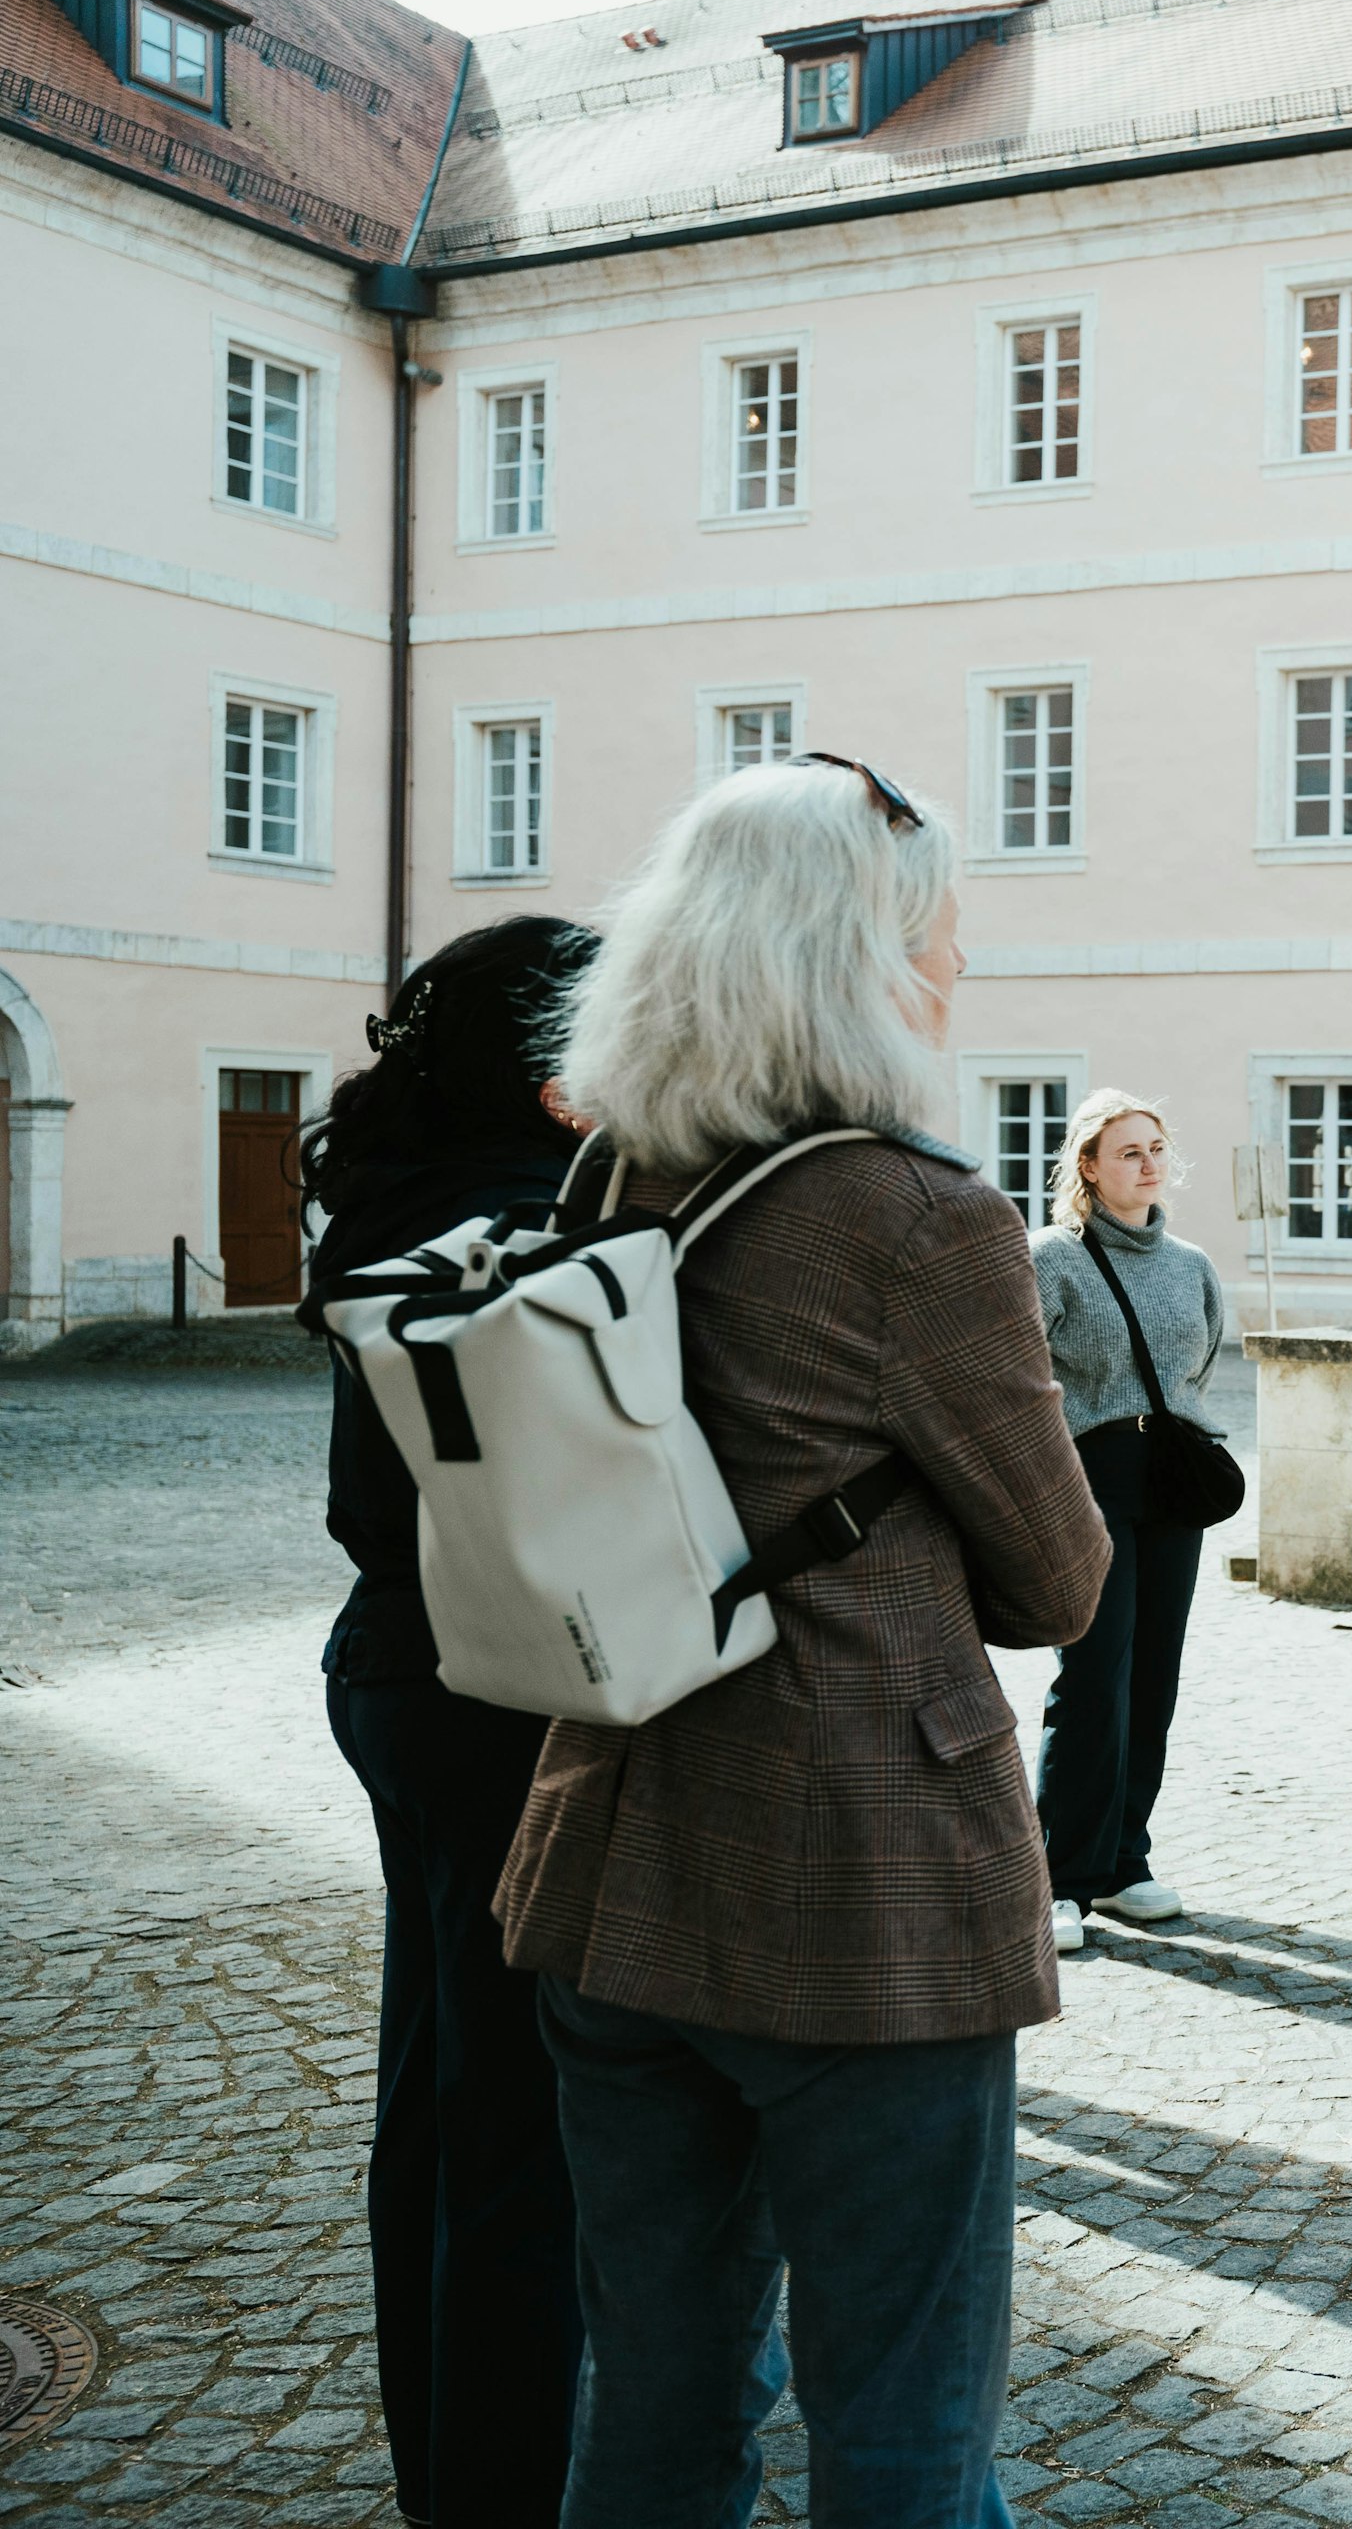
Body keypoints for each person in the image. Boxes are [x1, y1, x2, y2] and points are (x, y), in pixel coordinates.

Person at [498, 752, 1109, 2527]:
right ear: (852, 958)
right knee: (905, 2428)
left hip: (615, 1847)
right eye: (933, 935)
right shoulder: (919, 1219)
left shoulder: (616, 1174)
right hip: (864, 1895)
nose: (956, 968)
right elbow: (1059, 1581)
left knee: (661, 2409)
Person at [297, 914, 599, 2529]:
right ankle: (495, 2488)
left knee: (434, 2096)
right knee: (517, 2142)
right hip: (496, 1689)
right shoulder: (539, 1225)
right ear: (559, 1081)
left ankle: (448, 2469)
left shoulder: (398, 1200)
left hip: (390, 1663)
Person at [1032, 1087, 1230, 1953]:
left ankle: (1123, 1862)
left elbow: (1202, 1364)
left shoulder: (1191, 1263)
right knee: (1092, 1677)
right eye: (1127, 1151)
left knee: (1154, 1673)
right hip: (1089, 1475)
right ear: (1088, 1167)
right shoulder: (1051, 1258)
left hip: (1171, 1477)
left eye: (1155, 1148)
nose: (1147, 1164)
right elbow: (1016, 1374)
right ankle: (1059, 1880)